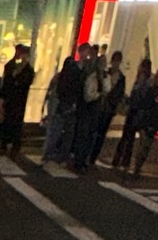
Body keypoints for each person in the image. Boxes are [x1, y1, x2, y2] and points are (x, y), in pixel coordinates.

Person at [110, 58, 152, 172]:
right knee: (129, 139)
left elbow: (138, 97)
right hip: (135, 112)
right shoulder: (145, 82)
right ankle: (124, 161)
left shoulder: (142, 81)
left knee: (127, 137)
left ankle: (120, 160)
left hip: (135, 112)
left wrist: (130, 102)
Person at [40, 52, 81, 170]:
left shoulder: (59, 77)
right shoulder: (74, 77)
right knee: (67, 135)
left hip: (58, 108)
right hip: (68, 109)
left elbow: (50, 92)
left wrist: (45, 107)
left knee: (54, 133)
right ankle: (61, 157)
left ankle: (47, 155)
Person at [128, 63, 158, 176]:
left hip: (155, 120)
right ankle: (136, 166)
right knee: (143, 143)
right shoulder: (151, 88)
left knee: (147, 146)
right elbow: (145, 101)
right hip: (146, 118)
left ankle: (139, 164)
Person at [70, 42, 105, 171]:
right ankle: (80, 160)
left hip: (91, 106)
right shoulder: (87, 69)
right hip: (87, 105)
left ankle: (82, 159)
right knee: (84, 134)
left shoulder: (94, 71)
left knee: (88, 134)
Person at [0, 42, 34, 158]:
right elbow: (7, 82)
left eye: (25, 54)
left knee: (17, 123)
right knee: (7, 121)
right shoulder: (13, 66)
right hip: (10, 99)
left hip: (19, 101)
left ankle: (15, 146)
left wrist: (17, 77)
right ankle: (4, 144)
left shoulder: (29, 70)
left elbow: (25, 83)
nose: (22, 56)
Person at [91, 49, 125, 164]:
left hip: (109, 107)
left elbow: (119, 94)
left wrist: (113, 103)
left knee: (101, 132)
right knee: (95, 129)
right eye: (115, 61)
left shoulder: (121, 78)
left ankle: (93, 155)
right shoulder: (107, 73)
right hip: (101, 104)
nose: (116, 63)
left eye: (118, 61)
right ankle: (90, 153)